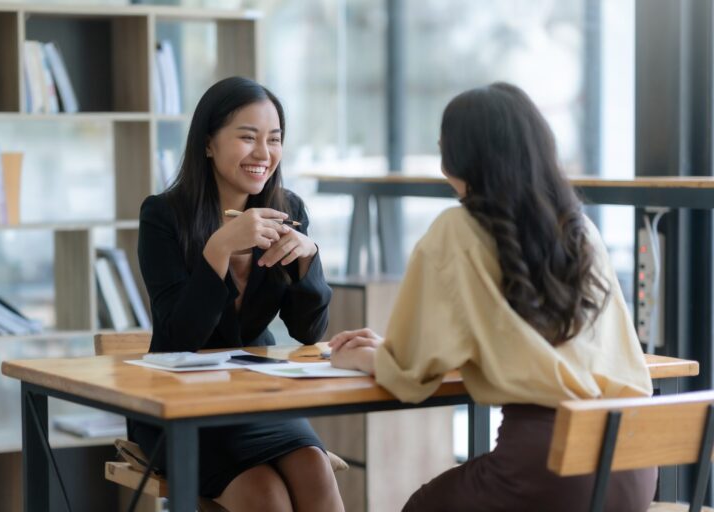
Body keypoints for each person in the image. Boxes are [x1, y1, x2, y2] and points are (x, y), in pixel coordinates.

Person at [329, 82, 656, 512]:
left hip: (552, 466)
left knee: (421, 506)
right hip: (635, 462)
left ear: (456, 157)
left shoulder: (457, 230)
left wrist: (367, 358)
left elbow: (410, 374)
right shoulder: (580, 229)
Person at [135, 76, 344, 512]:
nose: (263, 153)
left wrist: (309, 259)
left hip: (254, 396)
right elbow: (179, 340)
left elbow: (309, 332)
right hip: (179, 403)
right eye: (247, 137)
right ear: (208, 144)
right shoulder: (163, 216)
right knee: (263, 493)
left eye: (274, 139)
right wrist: (219, 248)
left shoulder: (289, 210)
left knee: (314, 465)